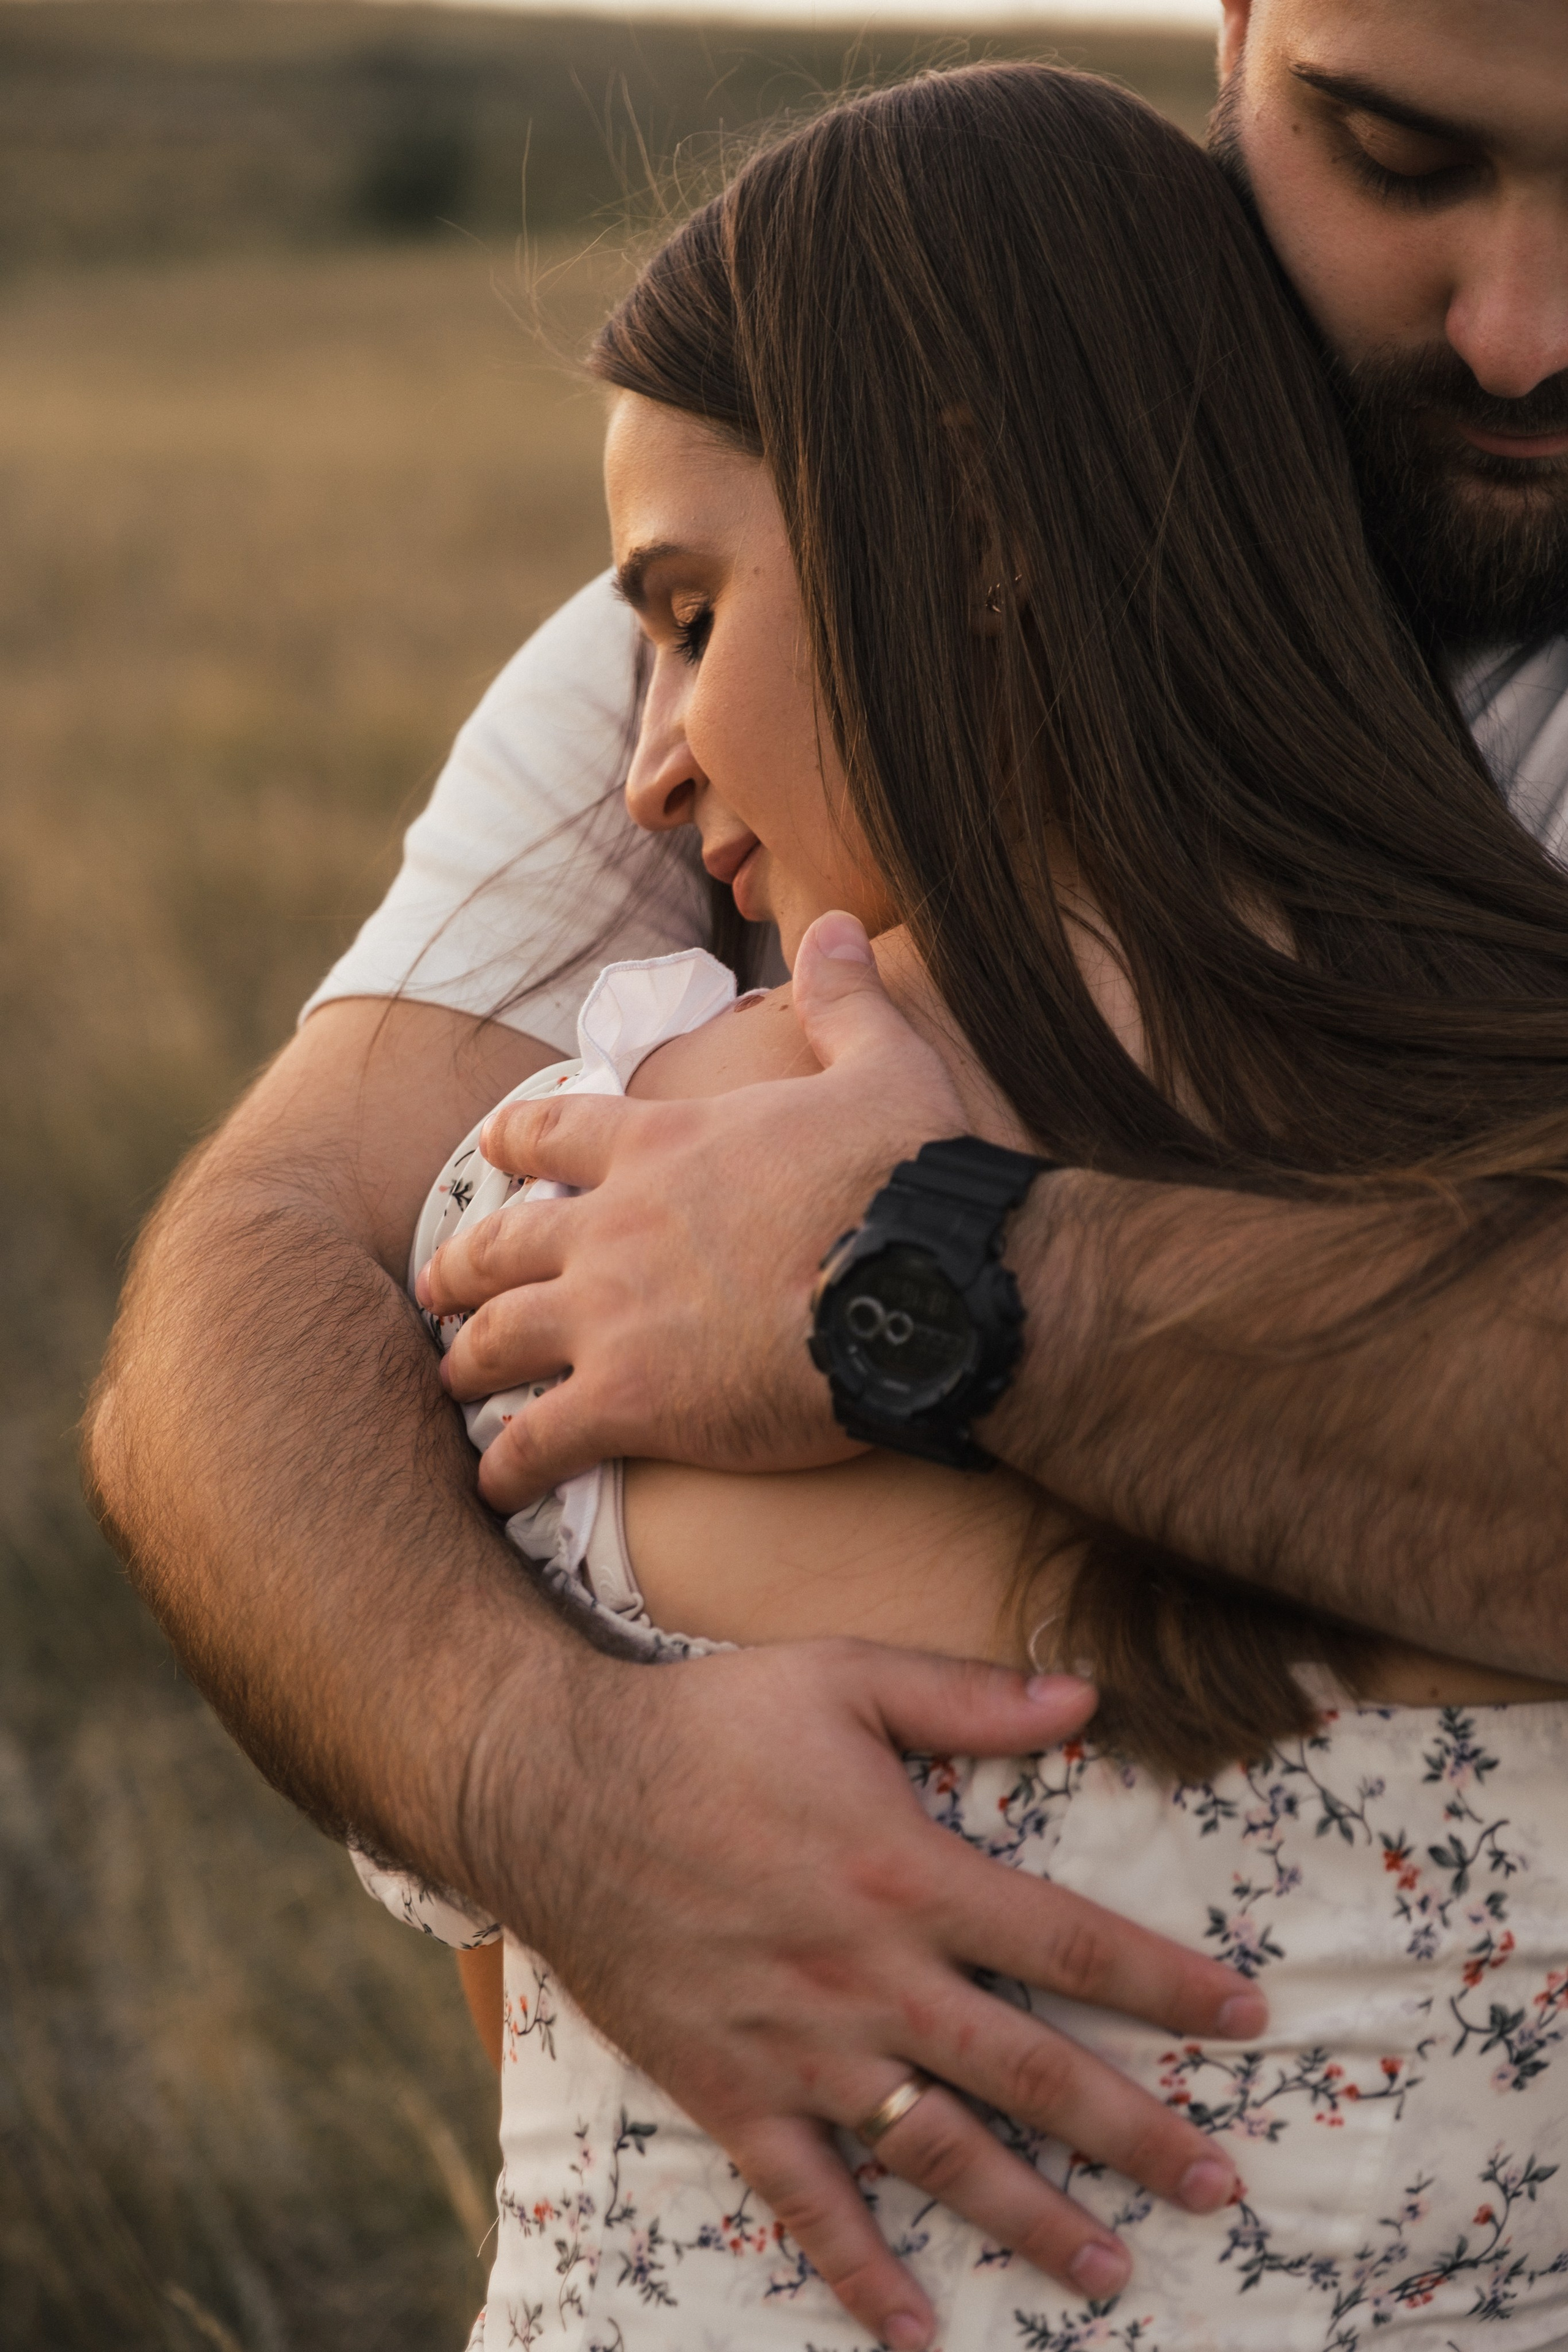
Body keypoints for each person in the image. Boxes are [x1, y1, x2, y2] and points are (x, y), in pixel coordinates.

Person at [81, 3, 1568, 2345]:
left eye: (691, 625)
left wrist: (913, 1268)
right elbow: (254, 1286)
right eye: (1399, 155)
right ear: (1242, 42)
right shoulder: (779, 574)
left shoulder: (650, 1112)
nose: (1523, 326)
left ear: (963, 539)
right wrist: (560, 1784)